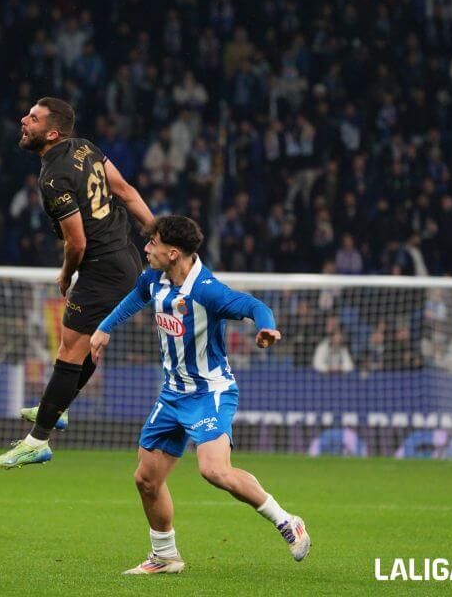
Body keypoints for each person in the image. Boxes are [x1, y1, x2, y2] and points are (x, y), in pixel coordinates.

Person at [89, 216, 311, 573]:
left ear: (173, 253)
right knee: (146, 479)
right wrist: (103, 329)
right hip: (172, 394)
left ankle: (287, 520)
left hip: (210, 392)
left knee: (214, 471)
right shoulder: (154, 279)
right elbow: (135, 298)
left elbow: (252, 305)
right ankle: (165, 556)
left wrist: (266, 326)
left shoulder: (206, 290)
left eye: (152, 243)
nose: (146, 248)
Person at [0, 97, 154, 468]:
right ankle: (57, 407)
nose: (23, 120)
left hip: (101, 269)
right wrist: (156, 232)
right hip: (124, 256)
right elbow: (126, 191)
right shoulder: (86, 147)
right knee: (79, 345)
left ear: (51, 133)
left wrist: (66, 274)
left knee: (70, 352)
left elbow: (76, 241)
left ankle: (38, 440)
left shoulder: (54, 177)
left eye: (32, 118)